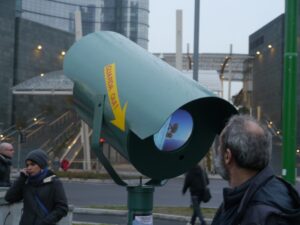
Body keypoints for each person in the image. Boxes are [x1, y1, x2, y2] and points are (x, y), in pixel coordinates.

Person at [212, 114, 300, 225]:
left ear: (227, 156)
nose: (218, 151)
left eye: (220, 147)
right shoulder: (276, 191)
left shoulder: (259, 214)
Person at [5, 149, 68, 225]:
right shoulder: (27, 183)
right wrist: (21, 179)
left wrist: (45, 222)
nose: (29, 168)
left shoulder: (54, 183)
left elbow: (62, 208)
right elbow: (9, 198)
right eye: (27, 165)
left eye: (32, 164)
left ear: (41, 166)